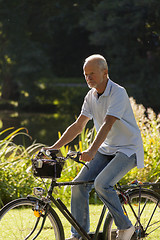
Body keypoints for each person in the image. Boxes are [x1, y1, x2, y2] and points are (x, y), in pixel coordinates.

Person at [43, 54, 144, 240]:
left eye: (92, 74)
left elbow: (107, 124)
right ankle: (79, 235)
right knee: (78, 186)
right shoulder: (91, 96)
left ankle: (126, 227)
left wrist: (91, 151)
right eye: (85, 74)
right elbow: (78, 125)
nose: (88, 78)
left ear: (105, 73)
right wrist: (54, 148)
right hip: (108, 149)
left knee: (102, 184)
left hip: (128, 149)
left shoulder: (118, 92)